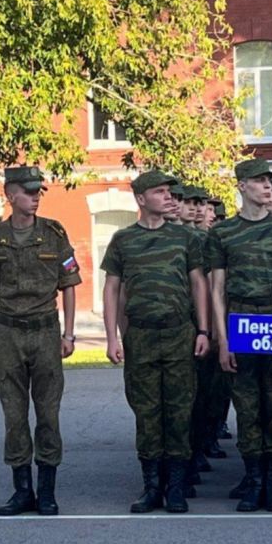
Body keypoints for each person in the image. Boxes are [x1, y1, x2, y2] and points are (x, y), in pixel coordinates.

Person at [102, 170, 211, 514]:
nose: (168, 197)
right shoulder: (123, 240)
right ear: (140, 199)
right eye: (160, 192)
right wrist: (113, 337)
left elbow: (199, 285)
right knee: (147, 413)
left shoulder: (185, 239)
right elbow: (113, 290)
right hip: (142, 336)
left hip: (179, 333)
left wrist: (204, 330)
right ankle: (152, 486)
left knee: (179, 411)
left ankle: (176, 487)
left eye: (169, 192)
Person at [0, 166, 81, 517]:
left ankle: (47, 491)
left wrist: (68, 333)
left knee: (48, 412)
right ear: (10, 195)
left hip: (45, 331)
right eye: (28, 191)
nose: (35, 197)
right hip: (8, 333)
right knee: (14, 415)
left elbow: (69, 284)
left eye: (38, 192)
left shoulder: (53, 233)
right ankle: (22, 490)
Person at [209, 158, 272, 512]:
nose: (269, 188)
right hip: (241, 322)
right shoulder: (223, 233)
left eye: (271, 183)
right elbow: (217, 289)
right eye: (261, 181)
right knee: (247, 408)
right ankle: (254, 480)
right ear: (242, 186)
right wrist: (223, 339)